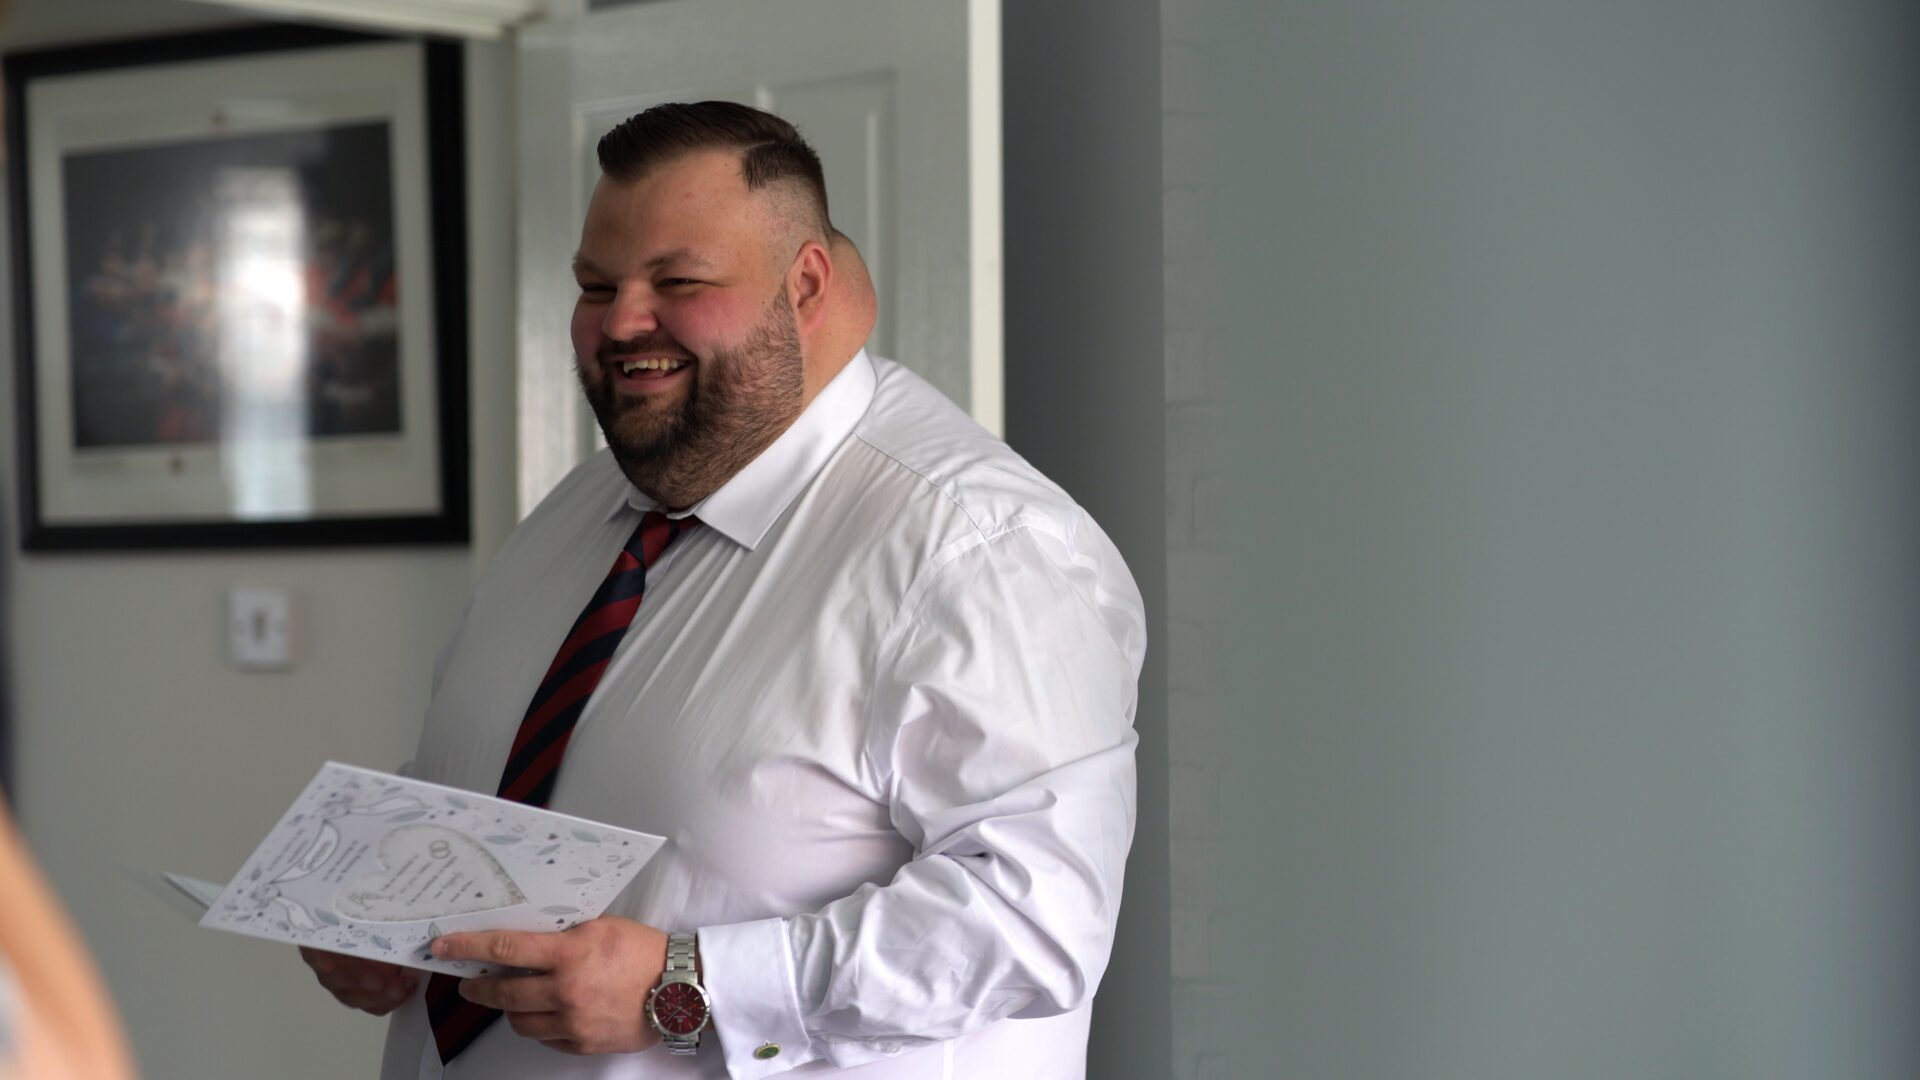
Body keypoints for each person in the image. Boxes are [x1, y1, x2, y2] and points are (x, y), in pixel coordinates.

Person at [302, 101, 1145, 1079]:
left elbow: (1037, 922)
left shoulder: (980, 549)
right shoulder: (573, 516)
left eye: (679, 281)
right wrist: (376, 903)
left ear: (807, 284)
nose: (622, 321)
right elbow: (493, 779)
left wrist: (687, 984)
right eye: (595, 284)